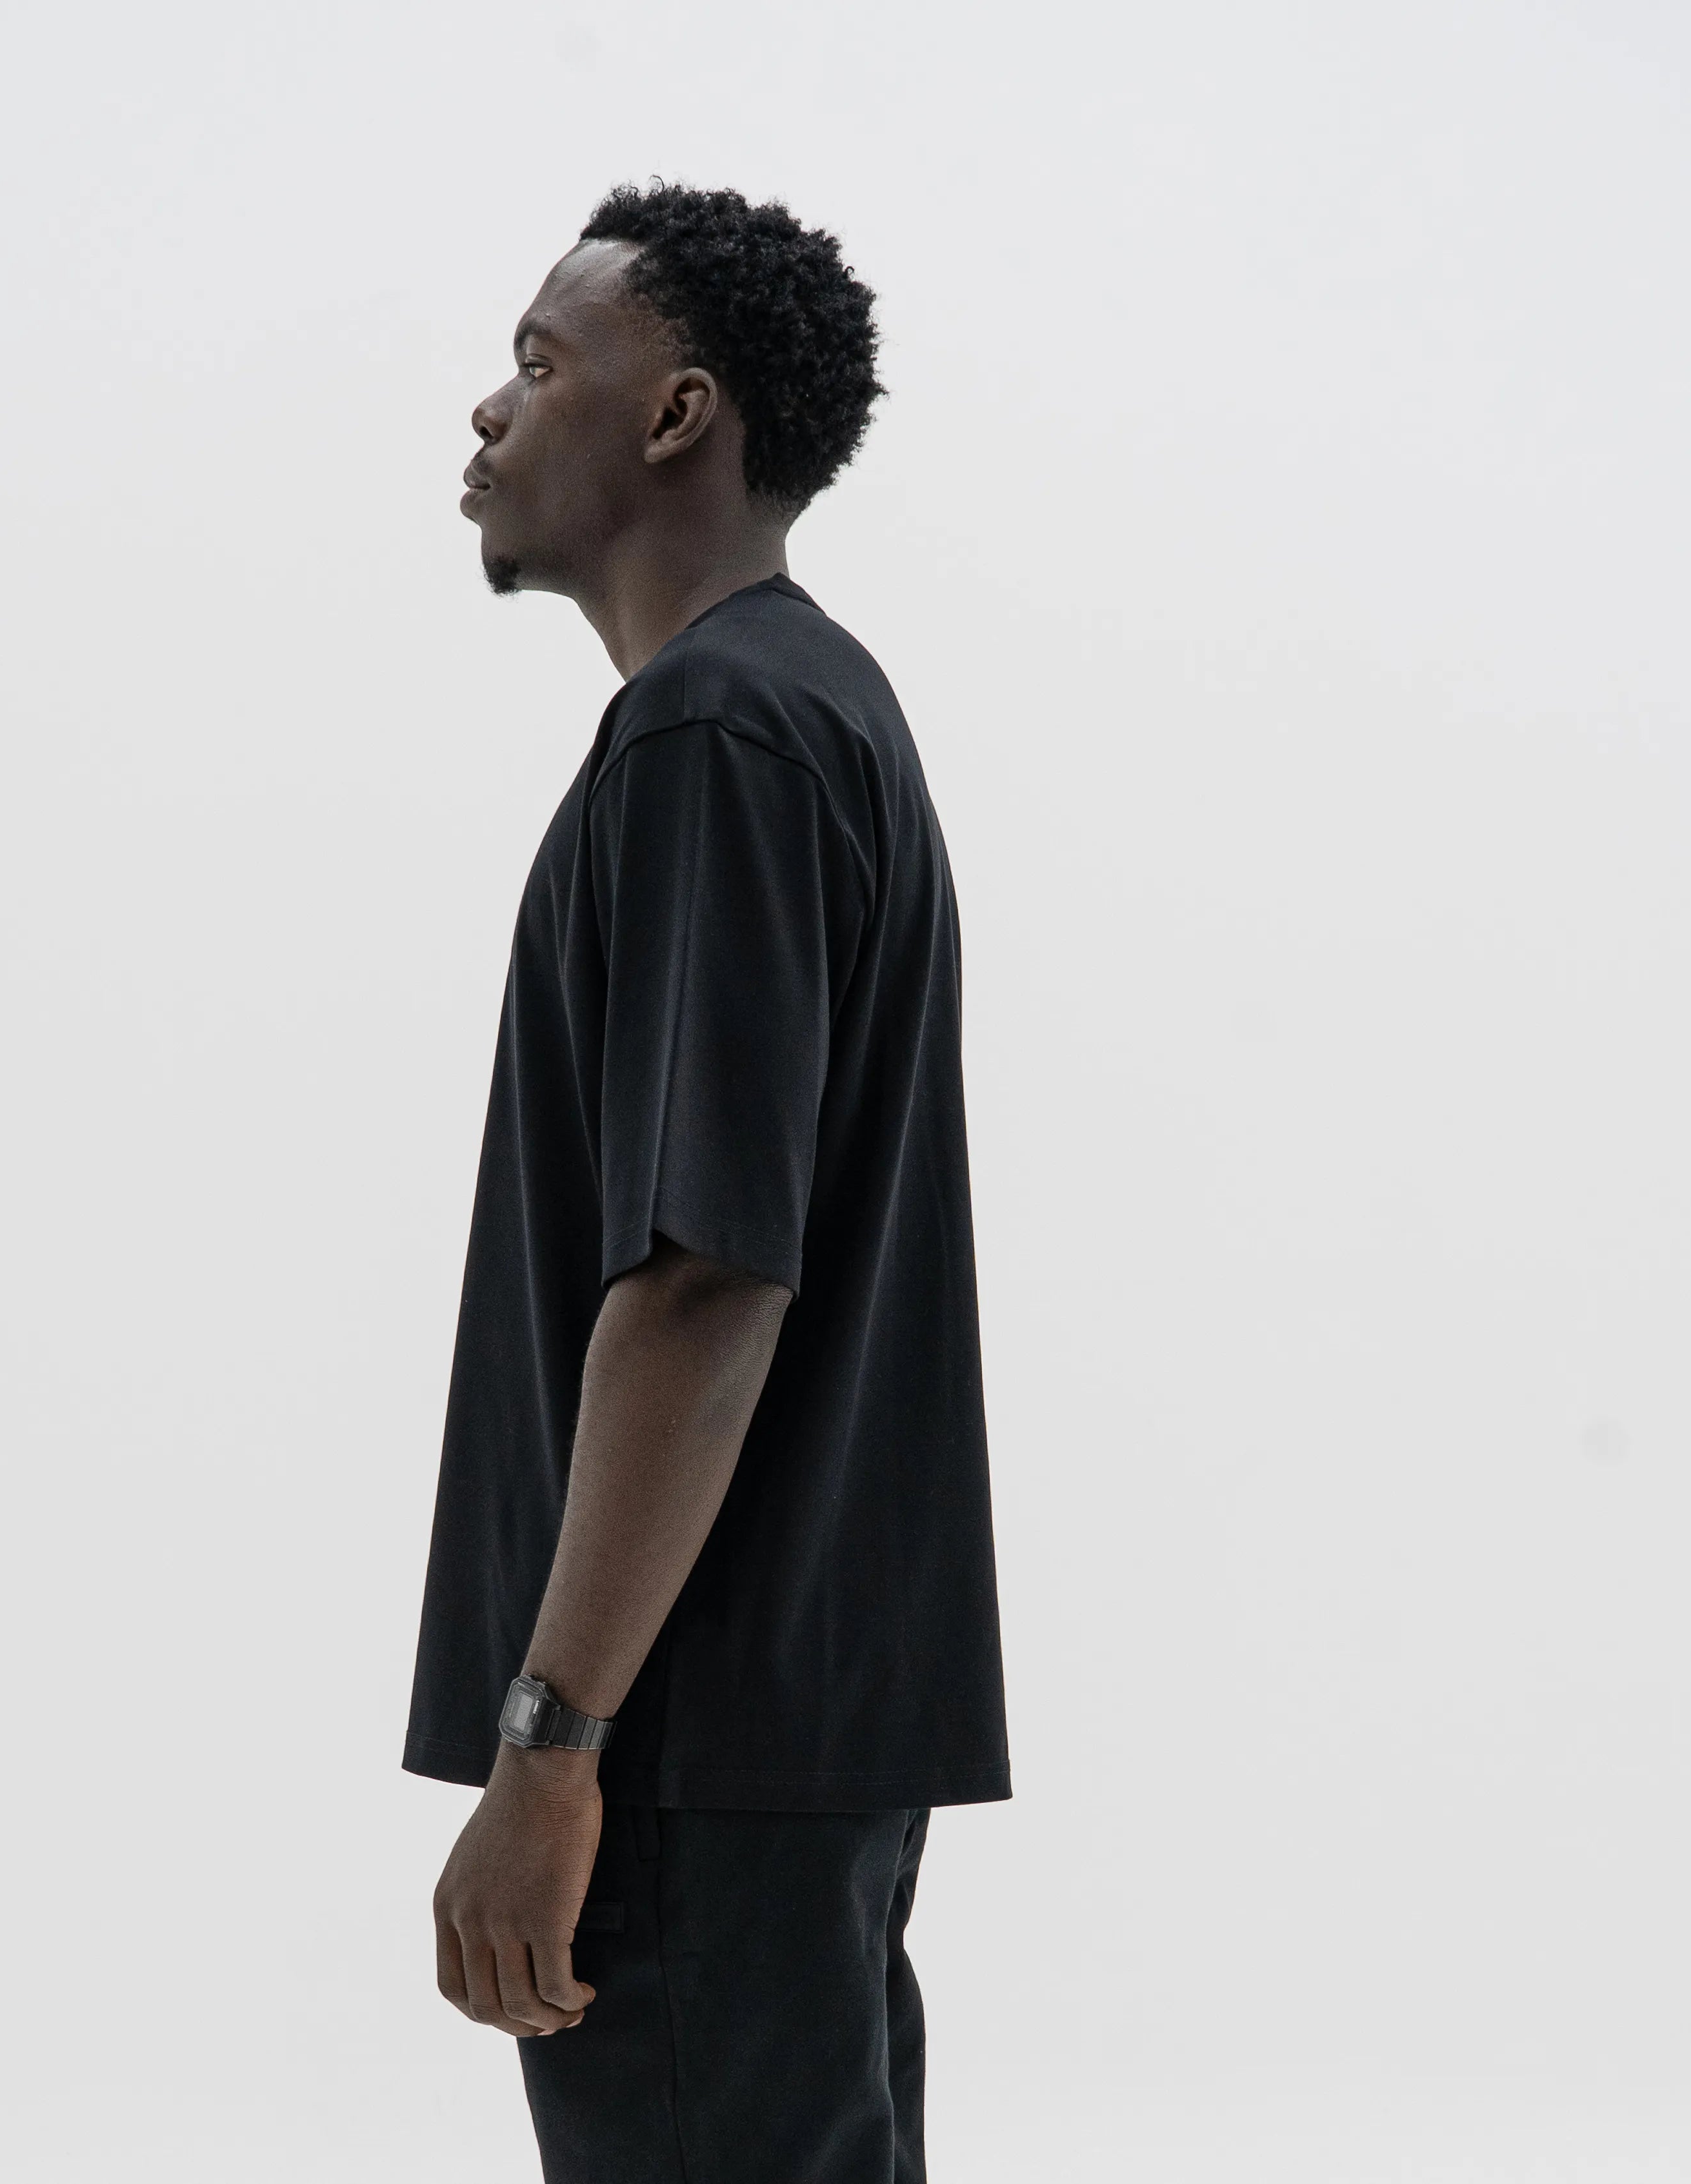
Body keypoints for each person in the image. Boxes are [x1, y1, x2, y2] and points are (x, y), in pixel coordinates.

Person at [403, 181, 1009, 2184]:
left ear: (678, 417)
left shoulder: (716, 736)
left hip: (685, 1744)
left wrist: (551, 1744)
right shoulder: (810, 712)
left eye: (539, 361)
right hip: (776, 1739)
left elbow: (700, 1278)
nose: (489, 413)